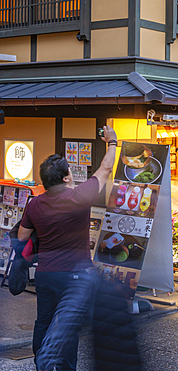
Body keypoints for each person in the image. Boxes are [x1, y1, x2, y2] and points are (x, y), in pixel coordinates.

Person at [18, 126, 124, 371]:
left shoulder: (34, 204)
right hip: (74, 276)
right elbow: (105, 169)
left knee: (44, 321)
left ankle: (40, 363)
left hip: (45, 274)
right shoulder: (79, 196)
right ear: (65, 178)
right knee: (68, 326)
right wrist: (112, 142)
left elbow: (23, 235)